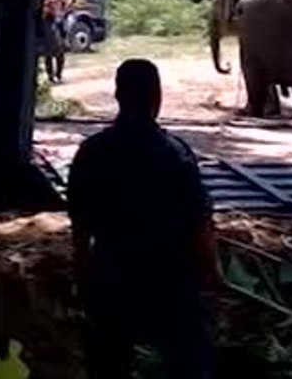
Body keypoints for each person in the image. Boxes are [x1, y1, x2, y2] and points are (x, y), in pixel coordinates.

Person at [68, 59, 218, 379]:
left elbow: (79, 229)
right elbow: (200, 228)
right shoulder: (175, 154)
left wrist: (85, 277)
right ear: (157, 97)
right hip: (171, 282)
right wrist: (210, 274)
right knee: (189, 363)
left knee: (108, 365)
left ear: (118, 95)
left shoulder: (92, 153)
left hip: (112, 275)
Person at [43, 10, 65, 84]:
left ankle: (56, 75)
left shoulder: (56, 19)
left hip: (55, 35)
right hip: (49, 36)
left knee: (58, 56)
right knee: (49, 56)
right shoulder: (46, 21)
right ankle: (51, 76)